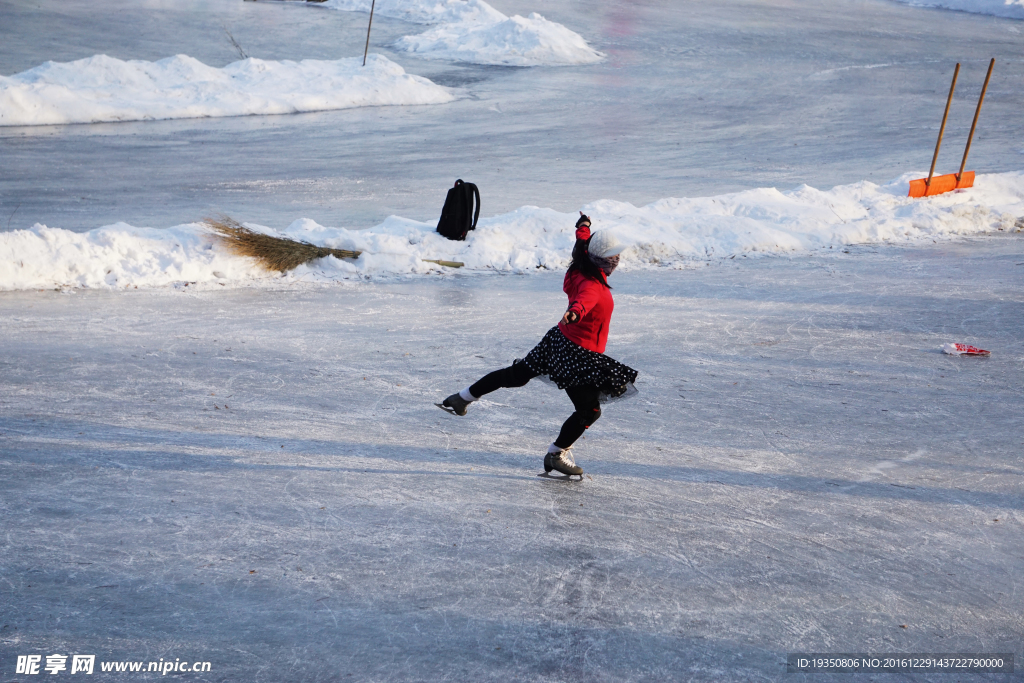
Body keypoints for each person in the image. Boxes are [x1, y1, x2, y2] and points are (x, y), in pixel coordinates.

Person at [437, 212, 638, 477]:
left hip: (557, 340)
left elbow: (582, 242)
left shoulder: (579, 265)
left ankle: (461, 398)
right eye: (615, 257)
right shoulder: (592, 286)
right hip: (577, 355)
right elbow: (584, 302)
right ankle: (556, 454)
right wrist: (575, 313)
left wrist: (583, 226)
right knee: (589, 411)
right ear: (604, 261)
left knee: (516, 376)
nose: (618, 260)